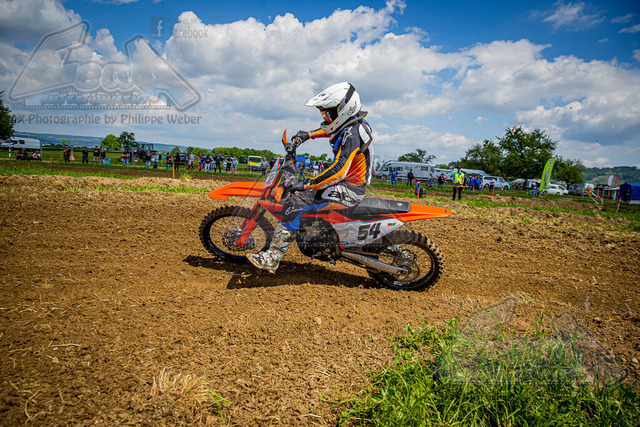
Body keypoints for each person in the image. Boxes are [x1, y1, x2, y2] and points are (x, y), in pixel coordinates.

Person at [248, 82, 373, 273]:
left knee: (295, 202)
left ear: (343, 109)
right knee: (304, 194)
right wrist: (309, 135)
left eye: (327, 112)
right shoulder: (353, 124)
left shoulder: (352, 134)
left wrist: (308, 184)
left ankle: (272, 258)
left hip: (350, 188)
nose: (324, 116)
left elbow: (339, 170)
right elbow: (331, 130)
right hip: (347, 183)